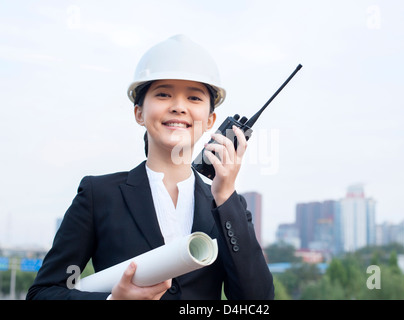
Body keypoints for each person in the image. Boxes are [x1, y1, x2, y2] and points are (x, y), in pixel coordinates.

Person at [26, 34, 274, 300]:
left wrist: (224, 195)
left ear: (211, 119)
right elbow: (42, 293)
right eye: (164, 94)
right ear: (139, 113)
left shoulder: (229, 206)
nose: (179, 107)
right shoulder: (98, 195)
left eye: (194, 98)